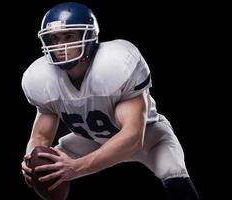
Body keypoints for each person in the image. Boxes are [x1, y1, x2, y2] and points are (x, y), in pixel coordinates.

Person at [21, 2, 200, 200]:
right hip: (92, 138)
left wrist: (76, 167)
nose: (60, 46)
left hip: (147, 136)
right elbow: (40, 137)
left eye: (69, 37)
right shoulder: (42, 78)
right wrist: (31, 159)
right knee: (45, 166)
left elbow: (132, 137)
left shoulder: (114, 65)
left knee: (172, 170)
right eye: (54, 39)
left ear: (88, 37)